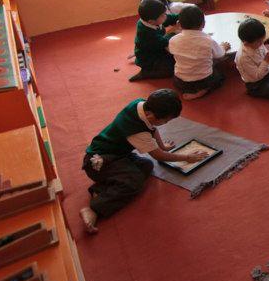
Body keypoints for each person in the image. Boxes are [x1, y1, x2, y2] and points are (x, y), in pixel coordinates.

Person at [79, 89, 204, 234]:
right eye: (165, 121)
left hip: (118, 154)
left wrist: (163, 146)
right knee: (135, 181)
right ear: (150, 115)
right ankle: (94, 208)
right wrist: (187, 157)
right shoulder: (136, 131)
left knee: (146, 165)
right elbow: (159, 156)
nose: (166, 123)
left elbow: (152, 129)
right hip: (99, 163)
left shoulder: (141, 105)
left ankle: (101, 190)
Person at [168, 5, 230, 100]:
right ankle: (203, 91)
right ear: (203, 24)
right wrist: (223, 47)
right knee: (220, 77)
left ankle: (190, 90)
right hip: (203, 80)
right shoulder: (208, 40)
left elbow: (173, 51)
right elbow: (220, 54)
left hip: (180, 81)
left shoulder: (173, 40)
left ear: (179, 24)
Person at [129, 0, 178, 82]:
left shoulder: (153, 20)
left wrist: (182, 17)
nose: (165, 16)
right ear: (151, 21)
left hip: (154, 46)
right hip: (149, 59)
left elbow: (168, 19)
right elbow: (164, 43)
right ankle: (145, 73)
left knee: (172, 37)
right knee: (171, 69)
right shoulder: (146, 33)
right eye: (163, 15)